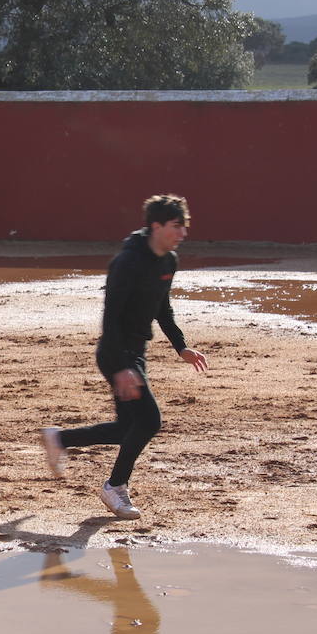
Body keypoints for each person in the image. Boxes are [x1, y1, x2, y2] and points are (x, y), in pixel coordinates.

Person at [40, 194, 208, 519]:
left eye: (184, 227)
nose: (183, 234)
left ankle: (59, 439)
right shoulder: (127, 262)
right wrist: (121, 369)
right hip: (116, 353)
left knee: (125, 429)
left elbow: (163, 308)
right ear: (156, 226)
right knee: (149, 421)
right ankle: (115, 487)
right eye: (177, 226)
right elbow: (111, 317)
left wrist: (180, 346)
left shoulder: (167, 260)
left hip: (136, 353)